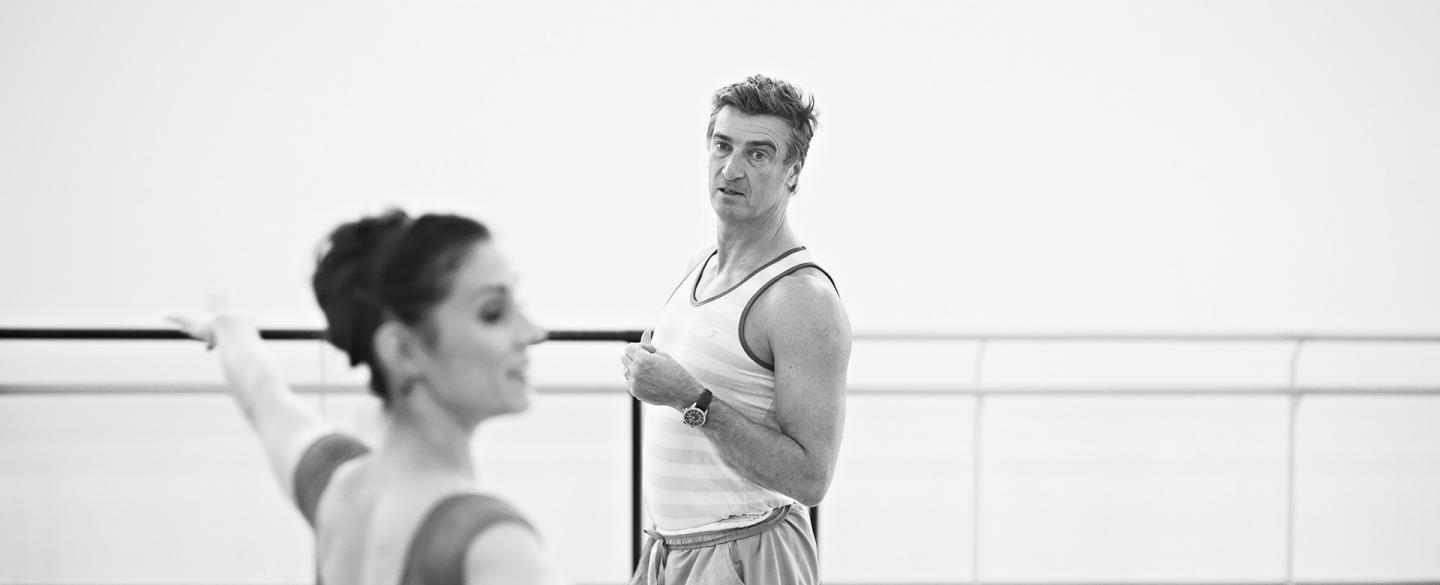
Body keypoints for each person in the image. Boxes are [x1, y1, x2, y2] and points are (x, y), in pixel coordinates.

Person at [170, 209, 564, 585]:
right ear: (403, 350)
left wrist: (229, 331)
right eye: (493, 312)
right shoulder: (494, 545)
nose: (531, 331)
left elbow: (261, 394)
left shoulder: (336, 489)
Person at [620, 74, 852, 584]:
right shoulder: (699, 266)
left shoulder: (801, 300)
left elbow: (811, 478)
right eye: (723, 145)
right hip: (669, 551)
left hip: (749, 553)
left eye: (759, 154)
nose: (732, 168)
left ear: (793, 172)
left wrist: (691, 400)